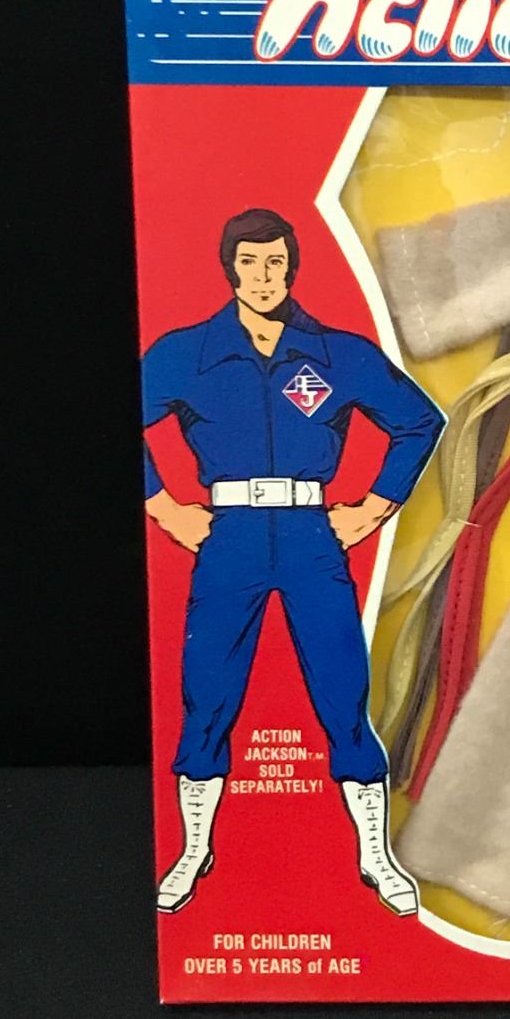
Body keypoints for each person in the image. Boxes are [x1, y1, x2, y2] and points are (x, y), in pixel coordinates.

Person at [142, 208, 443, 917]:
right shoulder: (187, 352)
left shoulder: (337, 354)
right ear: (229, 267)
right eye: (249, 262)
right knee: (207, 692)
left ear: (293, 267)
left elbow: (419, 420)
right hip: (230, 537)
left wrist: (373, 508)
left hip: (311, 535)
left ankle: (376, 855)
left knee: (343, 692)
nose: (263, 276)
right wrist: (165, 507)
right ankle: (193, 848)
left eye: (275, 262)